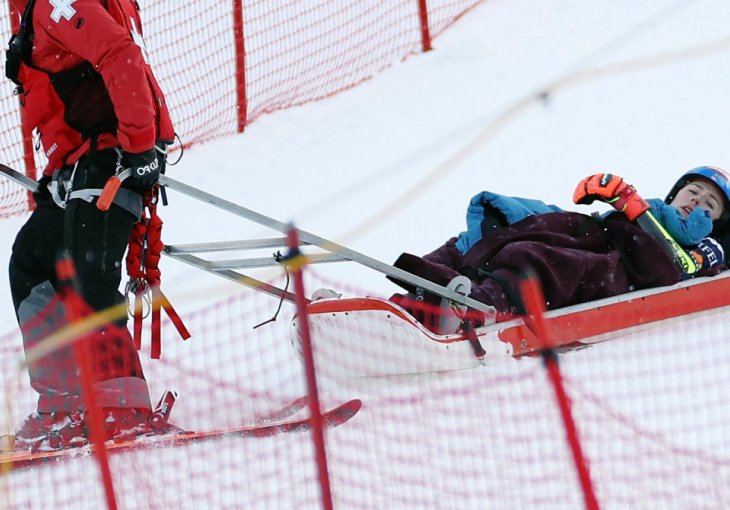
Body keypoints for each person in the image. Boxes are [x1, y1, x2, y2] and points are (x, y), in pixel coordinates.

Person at [5, 0, 175, 451]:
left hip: (115, 154)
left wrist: (139, 147)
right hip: (82, 161)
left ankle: (123, 408)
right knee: (33, 263)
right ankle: (66, 403)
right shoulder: (30, 9)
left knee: (87, 273)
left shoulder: (55, 3)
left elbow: (119, 53)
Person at [388, 167, 729, 330]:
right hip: (594, 230)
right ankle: (403, 303)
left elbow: (673, 267)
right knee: (495, 227)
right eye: (693, 192)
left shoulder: (703, 246)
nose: (698, 201)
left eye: (709, 204)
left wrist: (630, 204)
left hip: (615, 263)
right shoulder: (651, 208)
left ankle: (480, 305)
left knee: (533, 257)